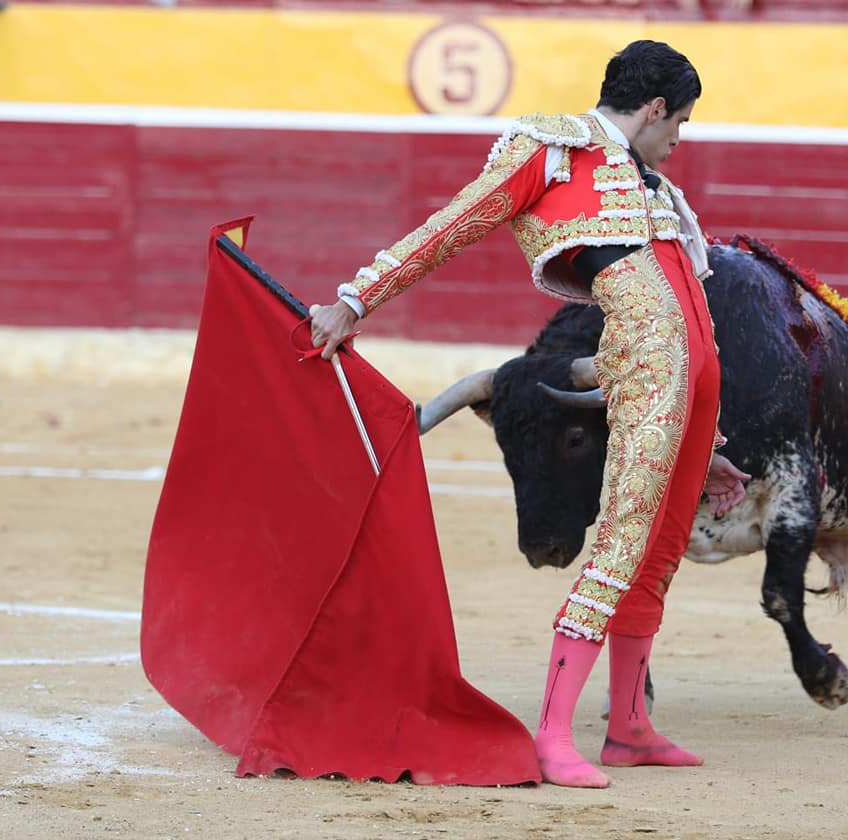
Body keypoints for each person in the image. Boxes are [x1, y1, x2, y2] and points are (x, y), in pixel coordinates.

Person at [309, 39, 750, 789]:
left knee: (661, 551)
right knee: (618, 546)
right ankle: (551, 736)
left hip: (696, 382)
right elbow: (450, 226)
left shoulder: (652, 185)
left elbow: (685, 306)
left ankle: (630, 729)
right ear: (652, 109)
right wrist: (356, 299)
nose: (681, 137)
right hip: (645, 364)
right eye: (680, 121)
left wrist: (702, 438)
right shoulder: (548, 152)